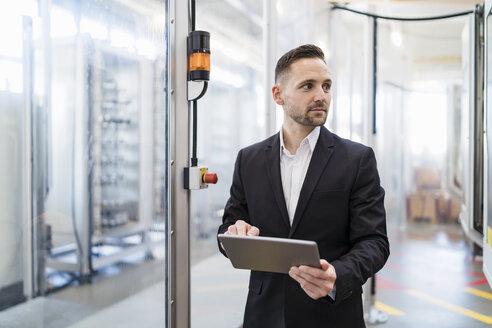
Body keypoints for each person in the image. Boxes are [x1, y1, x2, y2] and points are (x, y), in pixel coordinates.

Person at [217, 44, 389, 328]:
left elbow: (375, 242)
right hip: (264, 315)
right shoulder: (249, 160)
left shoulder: (357, 159)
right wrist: (235, 233)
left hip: (332, 314)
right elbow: (227, 230)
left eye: (326, 86)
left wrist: (336, 274)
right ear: (278, 95)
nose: (321, 96)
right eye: (308, 86)